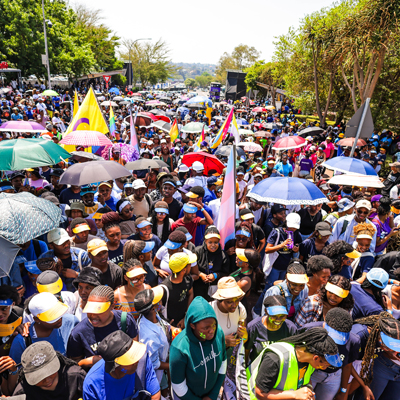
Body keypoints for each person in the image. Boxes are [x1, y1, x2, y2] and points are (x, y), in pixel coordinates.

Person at [250, 327, 341, 400]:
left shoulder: (311, 361)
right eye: (324, 365)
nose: (324, 368)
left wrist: (309, 390)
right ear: (316, 358)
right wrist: (295, 394)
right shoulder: (274, 358)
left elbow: (305, 378)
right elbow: (260, 393)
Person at [169, 296, 227, 400]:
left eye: (213, 325)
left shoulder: (218, 333)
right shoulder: (179, 348)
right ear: (192, 326)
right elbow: (178, 386)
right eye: (205, 328)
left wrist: (213, 395)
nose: (211, 331)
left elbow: (223, 364)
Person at [67, 285, 138, 370]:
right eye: (90, 309)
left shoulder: (125, 320)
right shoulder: (78, 333)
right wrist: (90, 362)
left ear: (112, 306)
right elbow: (75, 364)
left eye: (99, 310)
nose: (93, 315)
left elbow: (135, 351)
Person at [82, 330, 160, 400]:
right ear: (114, 366)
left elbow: (155, 395)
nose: (137, 361)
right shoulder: (92, 384)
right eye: (131, 359)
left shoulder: (143, 362)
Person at [302, 308, 360, 400]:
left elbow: (348, 365)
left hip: (334, 377)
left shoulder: (354, 341)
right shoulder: (310, 330)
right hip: (311, 372)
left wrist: (343, 391)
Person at [10, 292, 77, 364]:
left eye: (58, 312)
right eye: (51, 316)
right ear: (36, 319)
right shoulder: (21, 341)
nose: (59, 319)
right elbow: (16, 370)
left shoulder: (71, 322)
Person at [13, 341, 86, 400]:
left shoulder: (77, 377)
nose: (47, 380)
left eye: (50, 372)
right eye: (39, 377)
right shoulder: (22, 393)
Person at [353, 312, 400, 400]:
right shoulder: (358, 336)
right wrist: (364, 386)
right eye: (386, 346)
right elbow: (347, 365)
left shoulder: (391, 334)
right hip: (351, 371)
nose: (389, 350)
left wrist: (392, 354)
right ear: (378, 332)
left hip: (362, 370)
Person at [134, 288, 170, 389]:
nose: (160, 300)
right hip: (157, 375)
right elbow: (155, 364)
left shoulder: (153, 315)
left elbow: (161, 324)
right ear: (153, 308)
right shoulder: (149, 337)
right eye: (158, 300)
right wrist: (172, 366)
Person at [245, 295, 296, 365]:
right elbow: (246, 350)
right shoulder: (253, 327)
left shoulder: (291, 328)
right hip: (257, 368)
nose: (278, 320)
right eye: (274, 316)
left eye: (282, 316)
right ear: (266, 312)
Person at [265, 213, 302, 289]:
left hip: (286, 267)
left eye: (295, 228)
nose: (292, 229)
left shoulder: (297, 234)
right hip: (274, 266)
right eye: (291, 227)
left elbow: (299, 245)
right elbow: (267, 249)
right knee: (269, 288)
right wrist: (281, 245)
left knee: (280, 289)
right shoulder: (277, 232)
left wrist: (297, 249)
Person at [159, 252, 196, 328]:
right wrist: (169, 325)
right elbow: (158, 311)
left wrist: (186, 316)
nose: (191, 266)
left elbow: (190, 294)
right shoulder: (164, 288)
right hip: (171, 327)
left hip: (185, 322)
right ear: (184, 270)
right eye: (189, 264)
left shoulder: (188, 279)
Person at [210, 277, 247, 349]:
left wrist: (244, 336)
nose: (234, 305)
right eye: (229, 302)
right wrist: (223, 341)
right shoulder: (209, 311)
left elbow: (244, 340)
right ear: (220, 299)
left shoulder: (240, 309)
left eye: (237, 300)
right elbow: (202, 340)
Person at [194, 226, 229, 300]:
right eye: (210, 242)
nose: (213, 245)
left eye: (216, 242)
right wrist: (200, 274)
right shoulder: (197, 251)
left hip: (215, 288)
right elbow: (191, 268)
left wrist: (216, 275)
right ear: (205, 241)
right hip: (198, 286)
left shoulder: (223, 255)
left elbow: (226, 272)